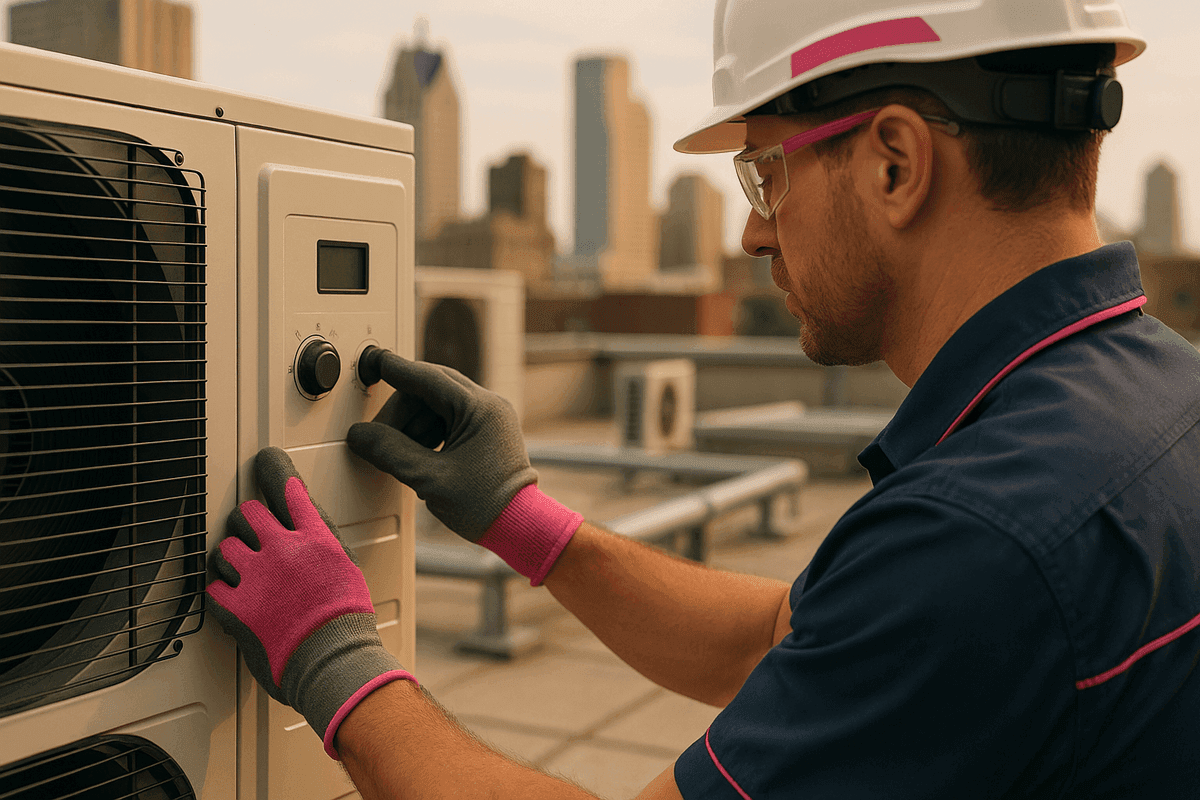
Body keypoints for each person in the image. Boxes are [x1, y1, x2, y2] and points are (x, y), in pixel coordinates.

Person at [206, 0, 1200, 796]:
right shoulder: (1162, 394)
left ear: (896, 163)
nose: (751, 236)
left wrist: (338, 661)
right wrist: (527, 519)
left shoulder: (984, 534)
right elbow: (795, 637)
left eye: (764, 174)